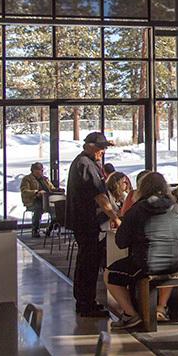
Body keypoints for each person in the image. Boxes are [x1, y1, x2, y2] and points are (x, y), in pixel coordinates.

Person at [106, 172, 178, 329]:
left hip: (145, 263)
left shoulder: (136, 210)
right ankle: (161, 307)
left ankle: (131, 314)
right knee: (170, 264)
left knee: (110, 274)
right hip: (174, 263)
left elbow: (121, 242)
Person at [65, 132, 120, 318]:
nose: (102, 151)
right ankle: (85, 303)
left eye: (104, 148)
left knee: (87, 262)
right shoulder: (85, 165)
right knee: (88, 263)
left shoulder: (84, 163)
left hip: (87, 223)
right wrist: (113, 215)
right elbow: (98, 195)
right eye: (99, 147)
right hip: (88, 224)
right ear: (88, 146)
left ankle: (85, 300)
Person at [20, 162, 56, 237]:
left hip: (46, 200)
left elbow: (51, 188)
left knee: (56, 209)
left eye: (41, 170)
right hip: (33, 201)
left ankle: (50, 228)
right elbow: (24, 191)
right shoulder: (27, 179)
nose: (40, 172)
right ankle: (35, 229)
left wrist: (56, 190)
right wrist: (36, 192)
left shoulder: (45, 179)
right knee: (38, 208)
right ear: (32, 171)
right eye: (37, 170)